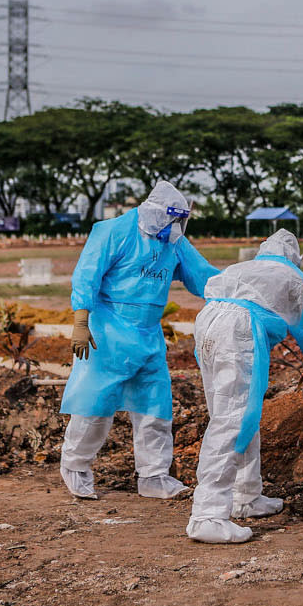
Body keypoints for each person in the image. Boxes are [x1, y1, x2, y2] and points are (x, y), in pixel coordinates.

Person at [58, 181, 218, 501]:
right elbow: (87, 274)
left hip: (148, 334)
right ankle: (75, 466)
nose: (176, 227)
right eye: (173, 220)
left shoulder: (173, 241)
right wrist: (80, 320)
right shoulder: (112, 231)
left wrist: (239, 290)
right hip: (108, 331)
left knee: (154, 406)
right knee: (95, 404)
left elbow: (204, 276)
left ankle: (154, 475)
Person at [187, 229, 303, 544]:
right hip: (237, 330)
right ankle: (207, 515)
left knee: (237, 415)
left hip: (208, 323)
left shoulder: (243, 268)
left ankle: (246, 495)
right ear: (295, 257)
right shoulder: (293, 278)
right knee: (233, 419)